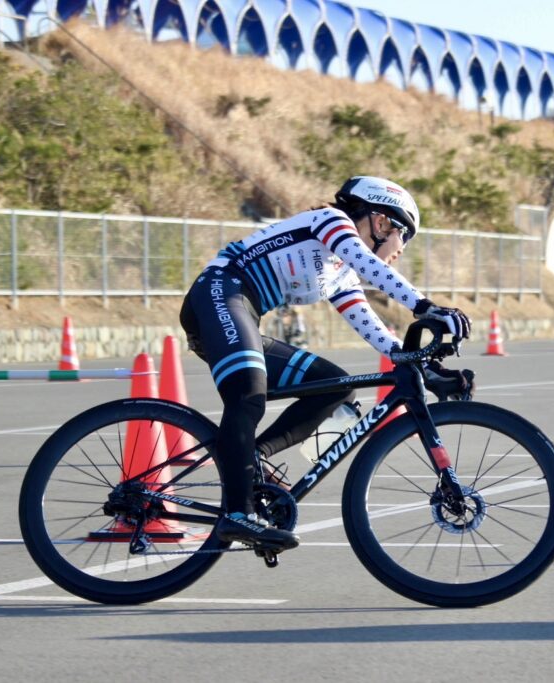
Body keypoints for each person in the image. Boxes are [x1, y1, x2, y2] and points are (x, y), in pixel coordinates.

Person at [179, 176, 473, 551]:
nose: (401, 249)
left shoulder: (340, 273)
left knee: (337, 388)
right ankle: (238, 513)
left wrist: (425, 368)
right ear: (381, 221)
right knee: (248, 394)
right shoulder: (331, 223)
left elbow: (375, 330)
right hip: (220, 292)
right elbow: (372, 266)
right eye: (404, 235)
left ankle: (249, 459)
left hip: (240, 311)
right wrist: (426, 307)